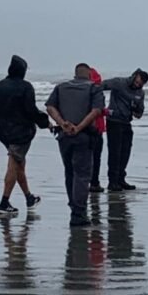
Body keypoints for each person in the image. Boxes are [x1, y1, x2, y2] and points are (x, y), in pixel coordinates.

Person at [0, 55, 49, 215]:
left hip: (3, 132)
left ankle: (29, 197)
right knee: (13, 164)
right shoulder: (26, 87)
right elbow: (31, 110)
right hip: (21, 133)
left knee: (19, 163)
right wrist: (45, 122)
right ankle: (4, 202)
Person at [45, 63, 106, 226]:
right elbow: (97, 111)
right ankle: (78, 213)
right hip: (83, 137)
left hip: (64, 137)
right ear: (89, 75)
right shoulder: (94, 88)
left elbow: (49, 107)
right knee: (82, 174)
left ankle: (74, 208)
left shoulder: (61, 87)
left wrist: (63, 123)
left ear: (75, 74)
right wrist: (78, 127)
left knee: (69, 172)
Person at [102, 68, 148, 191]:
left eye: (140, 85)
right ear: (134, 76)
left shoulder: (140, 93)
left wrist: (136, 109)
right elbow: (99, 86)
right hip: (113, 121)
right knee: (114, 152)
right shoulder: (119, 83)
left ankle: (120, 179)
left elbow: (139, 113)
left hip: (126, 122)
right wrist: (99, 107)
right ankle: (112, 182)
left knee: (125, 152)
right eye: (137, 82)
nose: (137, 85)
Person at [88, 67, 108, 193]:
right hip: (97, 129)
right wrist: (108, 112)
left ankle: (86, 182)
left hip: (83, 128)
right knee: (96, 158)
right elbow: (99, 110)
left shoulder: (81, 91)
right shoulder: (97, 91)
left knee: (85, 158)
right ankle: (94, 183)